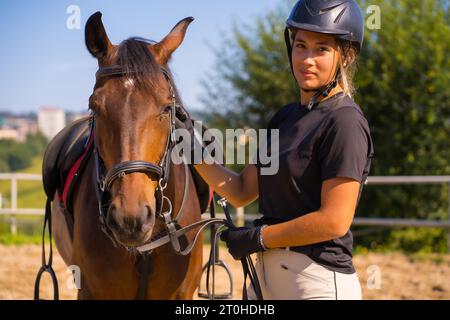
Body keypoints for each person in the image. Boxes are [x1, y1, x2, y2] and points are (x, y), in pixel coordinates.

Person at [178, 0, 374, 300]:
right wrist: (192, 150)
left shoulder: (345, 121)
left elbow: (334, 220)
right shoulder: (284, 118)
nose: (307, 59)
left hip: (316, 283)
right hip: (262, 282)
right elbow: (243, 190)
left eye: (321, 49)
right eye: (300, 45)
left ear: (345, 56)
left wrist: (259, 237)